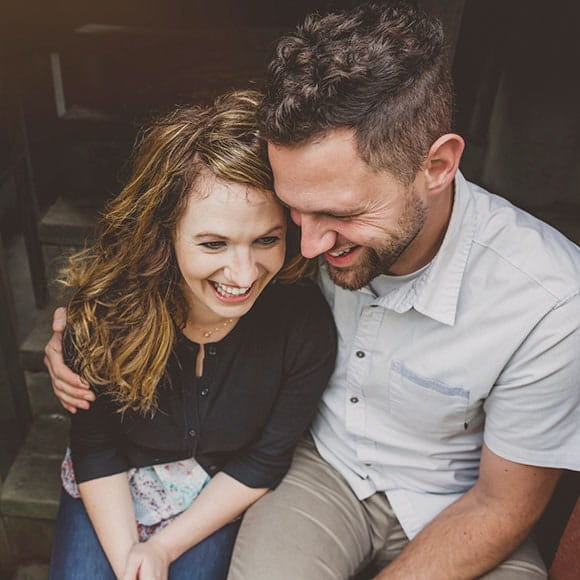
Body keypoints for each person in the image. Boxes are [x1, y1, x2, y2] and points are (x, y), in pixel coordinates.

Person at [45, 2, 580, 579]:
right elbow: (185, 242)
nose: (309, 247)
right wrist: (80, 335)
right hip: (321, 473)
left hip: (458, 504)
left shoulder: (549, 301)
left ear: (438, 165)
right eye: (293, 212)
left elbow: (504, 505)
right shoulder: (284, 246)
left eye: (338, 213)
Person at [47, 90, 337, 580]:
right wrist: (129, 562)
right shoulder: (104, 316)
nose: (244, 274)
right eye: (213, 243)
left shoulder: (302, 325)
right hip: (112, 484)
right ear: (165, 233)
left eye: (266, 239)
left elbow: (264, 460)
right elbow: (96, 449)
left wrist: (161, 549)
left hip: (216, 491)